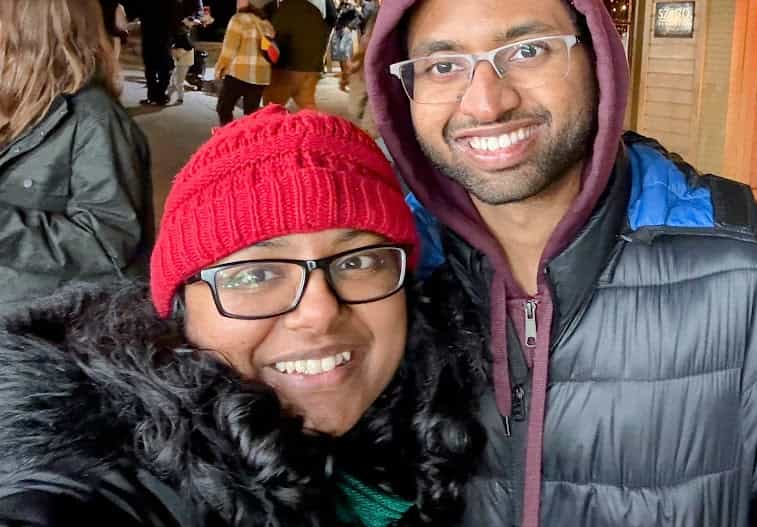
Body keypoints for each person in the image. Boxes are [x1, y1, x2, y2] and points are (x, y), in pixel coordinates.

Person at [365, 0, 757, 526]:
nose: (487, 102)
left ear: (598, 60)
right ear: (405, 94)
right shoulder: (382, 276)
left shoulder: (748, 272)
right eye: (444, 65)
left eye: (527, 51)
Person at [0, 106, 483, 525]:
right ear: (181, 310)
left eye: (357, 262)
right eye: (254, 275)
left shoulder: (441, 418)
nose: (318, 313)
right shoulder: (103, 470)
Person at [0, 0, 153, 310]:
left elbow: (107, 242)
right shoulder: (13, 107)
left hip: (38, 339)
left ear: (29, 34)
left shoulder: (94, 122)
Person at [264, 0, 330, 111]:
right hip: (311, 68)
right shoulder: (313, 10)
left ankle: (277, 132)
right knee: (308, 107)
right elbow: (324, 33)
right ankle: (315, 131)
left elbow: (275, 37)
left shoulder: (285, 9)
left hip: (288, 69)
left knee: (271, 108)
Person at [214, 0, 278, 126]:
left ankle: (227, 137)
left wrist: (220, 68)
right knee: (251, 112)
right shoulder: (266, 24)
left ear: (250, 2)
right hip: (261, 75)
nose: (239, 0)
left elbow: (229, 49)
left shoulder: (238, 19)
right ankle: (249, 140)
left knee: (224, 108)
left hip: (239, 72)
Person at [140, 0, 184, 106]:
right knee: (165, 66)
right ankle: (160, 94)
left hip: (148, 35)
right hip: (165, 37)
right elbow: (176, 23)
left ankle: (152, 95)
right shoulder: (175, 0)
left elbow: (138, 12)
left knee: (150, 67)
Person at [170, 0, 209, 105]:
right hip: (174, 30)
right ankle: (174, 84)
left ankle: (185, 80)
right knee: (175, 59)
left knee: (186, 56)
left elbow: (199, 11)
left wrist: (194, 19)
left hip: (189, 29)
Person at [331, 0, 361, 90]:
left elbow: (359, 18)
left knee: (345, 54)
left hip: (345, 32)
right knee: (340, 55)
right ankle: (344, 79)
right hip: (338, 31)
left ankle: (349, 79)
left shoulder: (351, 5)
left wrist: (349, 27)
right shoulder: (341, 5)